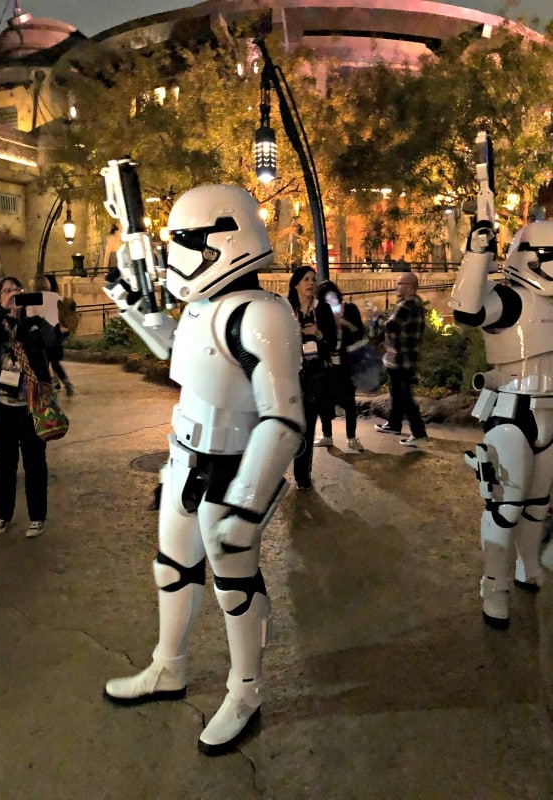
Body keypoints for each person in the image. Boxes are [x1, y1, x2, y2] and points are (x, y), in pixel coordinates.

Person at [101, 175, 305, 756]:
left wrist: (247, 499)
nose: (177, 253)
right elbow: (173, 349)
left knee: (235, 583)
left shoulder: (264, 314)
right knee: (173, 566)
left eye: (186, 240)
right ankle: (170, 664)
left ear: (226, 238)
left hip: (234, 463)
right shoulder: (203, 309)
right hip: (184, 456)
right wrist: (131, 302)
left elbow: (284, 418)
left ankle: (247, 688)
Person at [450, 204, 553, 628]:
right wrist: (477, 255)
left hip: (548, 412)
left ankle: (528, 565)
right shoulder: (510, 299)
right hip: (511, 412)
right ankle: (494, 585)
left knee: (538, 504)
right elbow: (467, 311)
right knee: (504, 504)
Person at [0, 276, 59, 538]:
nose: (13, 295)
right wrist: (1, 312)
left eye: (17, 290)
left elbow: (53, 343)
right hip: (1, 407)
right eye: (6, 291)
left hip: (32, 407)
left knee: (34, 463)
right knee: (5, 463)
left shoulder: (34, 324)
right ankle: (3, 515)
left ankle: (37, 517)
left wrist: (58, 326)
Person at [287, 265, 337, 489]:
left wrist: (317, 333)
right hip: (289, 375)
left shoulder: (323, 310)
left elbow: (332, 342)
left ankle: (302, 476)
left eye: (313, 279)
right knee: (288, 427)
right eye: (306, 279)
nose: (311, 283)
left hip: (315, 376)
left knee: (307, 426)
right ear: (296, 283)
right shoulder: (286, 309)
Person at [374, 272, 427, 446]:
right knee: (397, 393)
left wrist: (377, 318)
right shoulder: (415, 303)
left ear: (409, 286)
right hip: (401, 358)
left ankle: (418, 433)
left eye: (399, 284)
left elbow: (391, 325)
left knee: (404, 397)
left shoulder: (408, 304)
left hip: (401, 359)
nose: (396, 287)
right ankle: (394, 424)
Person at [314, 280, 365, 452]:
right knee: (324, 400)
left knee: (349, 402)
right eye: (326, 300)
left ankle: (352, 437)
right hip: (327, 363)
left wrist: (344, 323)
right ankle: (327, 435)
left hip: (346, 362)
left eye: (333, 297)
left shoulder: (349, 309)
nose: (330, 302)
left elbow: (360, 332)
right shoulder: (320, 313)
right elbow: (319, 337)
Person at [27, 274, 74, 396]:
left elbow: (30, 317)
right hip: (56, 333)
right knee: (54, 361)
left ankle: (48, 388)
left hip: (41, 334)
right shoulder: (56, 296)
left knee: (43, 362)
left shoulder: (33, 298)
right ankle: (65, 381)